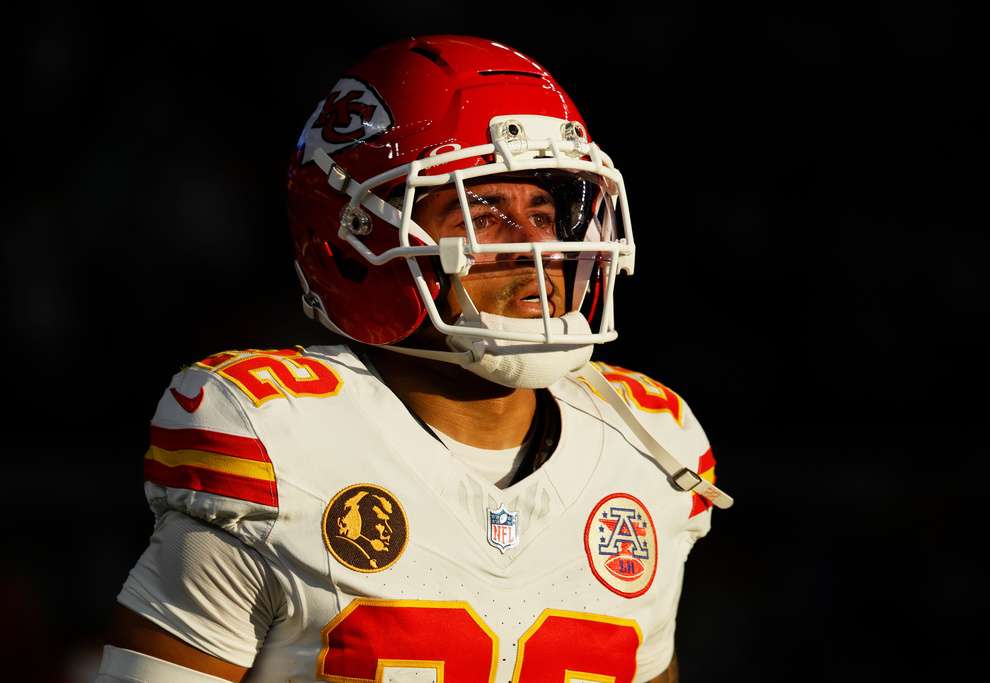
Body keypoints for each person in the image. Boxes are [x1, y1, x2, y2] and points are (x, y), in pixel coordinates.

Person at [96, 35, 732, 683]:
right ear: (353, 240)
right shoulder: (279, 438)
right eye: (482, 211)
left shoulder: (643, 442)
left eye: (544, 209)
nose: (534, 244)